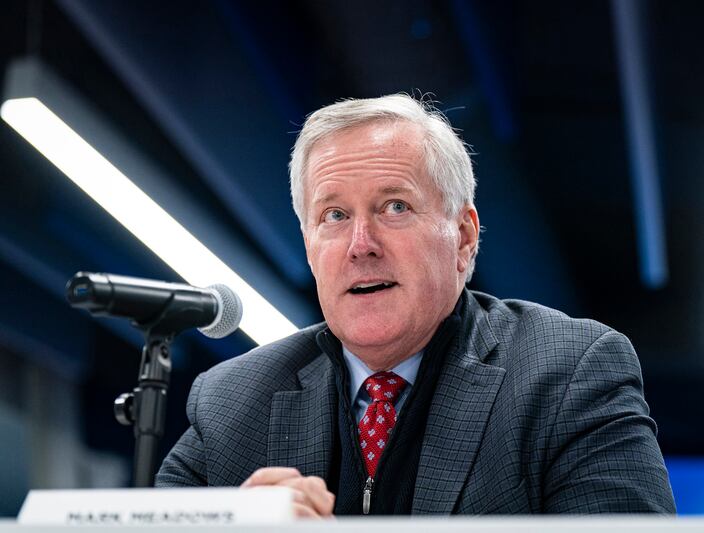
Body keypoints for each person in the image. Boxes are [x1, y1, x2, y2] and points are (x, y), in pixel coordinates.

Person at [156, 94, 676, 517]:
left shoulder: (567, 374)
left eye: (395, 206)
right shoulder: (230, 401)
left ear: (464, 236)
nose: (361, 244)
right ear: (309, 245)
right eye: (334, 215)